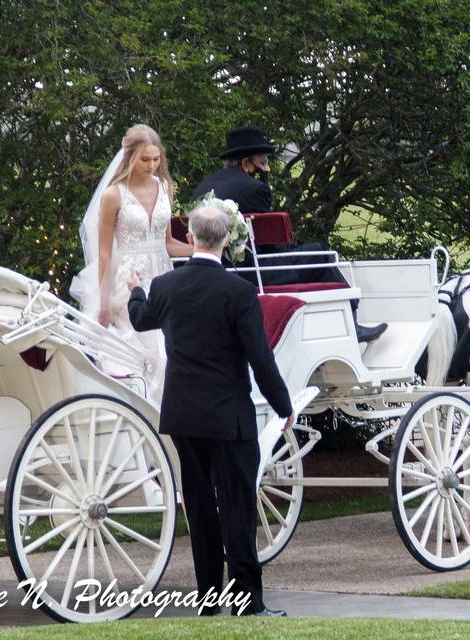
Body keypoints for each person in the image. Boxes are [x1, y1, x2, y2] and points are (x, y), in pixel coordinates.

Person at [127, 202, 294, 617]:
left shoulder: (165, 287)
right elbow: (260, 357)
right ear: (225, 242)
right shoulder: (238, 292)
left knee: (200, 508)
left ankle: (208, 600)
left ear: (191, 239)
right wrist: (283, 405)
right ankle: (246, 602)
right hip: (228, 416)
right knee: (237, 507)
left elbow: (141, 320)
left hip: (183, 415)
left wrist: (135, 289)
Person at [192, 125, 387, 343]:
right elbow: (270, 245)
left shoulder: (203, 188)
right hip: (250, 271)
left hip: (215, 268)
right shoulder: (255, 189)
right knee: (320, 254)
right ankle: (351, 324)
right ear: (247, 164)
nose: (267, 170)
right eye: (263, 163)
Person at [70, 124, 192, 397]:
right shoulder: (114, 194)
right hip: (129, 280)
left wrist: (201, 251)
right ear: (130, 157)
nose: (151, 166)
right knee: (148, 352)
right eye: (144, 159)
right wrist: (103, 303)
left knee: (172, 350)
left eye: (156, 159)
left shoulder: (165, 188)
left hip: (164, 277)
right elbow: (104, 253)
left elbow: (168, 243)